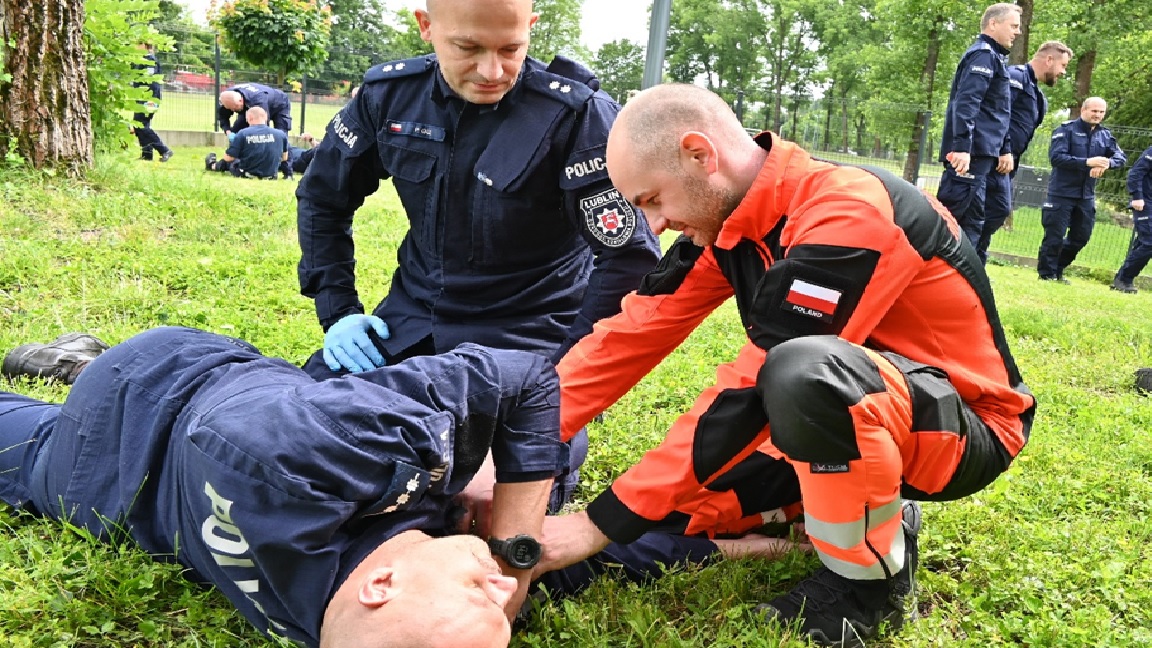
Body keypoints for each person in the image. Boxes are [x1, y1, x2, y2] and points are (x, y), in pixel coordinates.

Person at [538, 84, 1036, 648]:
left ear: (701, 156)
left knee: (801, 369)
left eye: (653, 199)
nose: (652, 226)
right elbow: (629, 335)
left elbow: (756, 384)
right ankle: (845, 516)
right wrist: (525, 441)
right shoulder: (729, 220)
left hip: (963, 428)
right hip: (852, 409)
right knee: (674, 512)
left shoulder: (848, 208)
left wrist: (597, 521)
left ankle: (867, 588)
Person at [0, 327, 805, 648]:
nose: (507, 583)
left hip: (148, 398)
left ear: (381, 584)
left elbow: (523, 378)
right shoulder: (381, 623)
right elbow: (588, 561)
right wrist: (732, 545)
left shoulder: (322, 453)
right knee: (547, 456)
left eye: (487, 589)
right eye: (506, 603)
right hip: (127, 489)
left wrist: (511, 523)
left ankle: (82, 358)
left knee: (549, 442)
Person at [294, 0, 661, 511]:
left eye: (511, 48)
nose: (493, 71)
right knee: (300, 433)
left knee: (482, 505)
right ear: (427, 27)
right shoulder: (389, 98)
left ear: (531, 27)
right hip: (412, 324)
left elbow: (629, 257)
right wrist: (339, 312)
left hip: (527, 339)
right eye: (468, 48)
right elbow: (323, 198)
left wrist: (564, 372)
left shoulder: (574, 116)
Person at [976, 41, 1073, 263]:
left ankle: (976, 259)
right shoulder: (1015, 78)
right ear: (1049, 60)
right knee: (994, 209)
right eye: (1063, 66)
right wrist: (1004, 149)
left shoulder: (1036, 94)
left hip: (1008, 163)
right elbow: (998, 115)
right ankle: (970, 255)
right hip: (995, 158)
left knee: (995, 211)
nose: (1063, 72)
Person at [936, 3, 1021, 250]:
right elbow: (967, 103)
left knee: (979, 219)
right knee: (953, 219)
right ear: (993, 24)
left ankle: (970, 280)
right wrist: (962, 146)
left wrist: (1004, 148)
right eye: (1013, 26)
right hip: (970, 154)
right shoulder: (982, 55)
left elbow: (997, 111)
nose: (1017, 32)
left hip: (986, 153)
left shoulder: (995, 58)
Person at [1036, 97, 1126, 282]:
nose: (1098, 115)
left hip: (1086, 196)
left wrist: (1108, 163)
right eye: (1094, 111)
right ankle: (1047, 274)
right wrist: (1087, 162)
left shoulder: (1105, 135)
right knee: (1054, 236)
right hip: (1061, 193)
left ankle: (1058, 269)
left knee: (1081, 237)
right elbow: (1056, 158)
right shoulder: (1066, 130)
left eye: (1101, 112)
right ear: (1084, 110)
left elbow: (1121, 157)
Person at [204, 106, 290, 180]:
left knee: (231, 161)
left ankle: (213, 165)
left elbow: (228, 158)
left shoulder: (243, 133)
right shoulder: (280, 134)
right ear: (266, 117)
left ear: (249, 118)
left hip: (247, 174)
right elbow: (284, 158)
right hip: (271, 176)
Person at [1111, 146, 1152, 293]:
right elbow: (1135, 173)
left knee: (1143, 243)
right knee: (1149, 243)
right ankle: (1125, 279)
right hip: (1145, 203)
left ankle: (1121, 279)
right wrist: (1137, 197)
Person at [131, 45, 173, 163]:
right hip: (143, 98)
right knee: (139, 125)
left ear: (144, 45)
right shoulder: (144, 59)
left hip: (149, 99)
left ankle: (164, 150)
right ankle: (147, 154)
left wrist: (149, 100)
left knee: (141, 125)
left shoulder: (150, 61)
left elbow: (151, 83)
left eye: (138, 44)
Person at [217, 82, 293, 138]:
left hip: (279, 104)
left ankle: (285, 159)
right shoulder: (227, 97)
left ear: (241, 100)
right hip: (248, 106)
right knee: (237, 133)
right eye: (231, 109)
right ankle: (236, 158)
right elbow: (223, 116)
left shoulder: (258, 100)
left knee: (280, 136)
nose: (233, 110)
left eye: (235, 107)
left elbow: (263, 126)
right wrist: (228, 132)